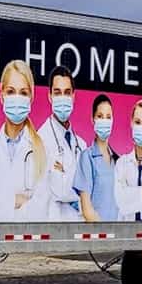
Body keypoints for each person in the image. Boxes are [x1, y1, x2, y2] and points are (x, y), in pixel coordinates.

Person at [0, 60, 49, 221]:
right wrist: (16, 200)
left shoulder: (42, 148)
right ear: (2, 96)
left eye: (23, 93)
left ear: (31, 98)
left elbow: (40, 211)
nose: (17, 98)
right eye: (11, 92)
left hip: (28, 243)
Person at [38, 66, 86, 221]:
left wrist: (66, 174)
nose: (62, 98)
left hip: (80, 227)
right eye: (57, 93)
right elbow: (60, 189)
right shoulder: (41, 140)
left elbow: (90, 190)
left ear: (73, 96)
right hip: (54, 227)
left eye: (67, 92)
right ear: (50, 96)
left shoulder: (82, 145)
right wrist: (80, 190)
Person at [73, 94, 119, 222]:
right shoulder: (86, 158)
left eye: (108, 117)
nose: (104, 120)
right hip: (98, 236)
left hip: (119, 235)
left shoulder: (118, 161)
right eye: (100, 116)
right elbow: (87, 211)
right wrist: (107, 234)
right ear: (93, 119)